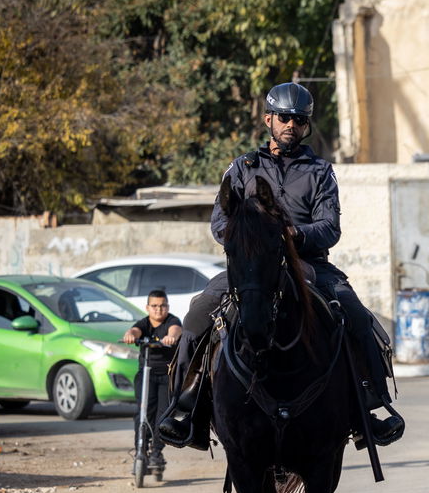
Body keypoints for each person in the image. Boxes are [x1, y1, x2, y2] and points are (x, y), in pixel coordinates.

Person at [158, 82, 405, 450]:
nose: (292, 125)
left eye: (299, 120)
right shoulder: (242, 168)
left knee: (356, 315)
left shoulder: (320, 171)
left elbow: (330, 227)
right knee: (197, 313)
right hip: (253, 267)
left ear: (306, 126)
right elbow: (220, 222)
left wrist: (294, 235)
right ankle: (185, 406)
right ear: (268, 120)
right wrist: (254, 237)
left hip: (309, 265)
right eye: (285, 118)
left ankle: (369, 406)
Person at [122, 290, 182, 478]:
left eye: (162, 305)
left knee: (163, 416)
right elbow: (135, 331)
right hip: (146, 375)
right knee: (143, 414)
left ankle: (156, 452)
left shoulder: (172, 321)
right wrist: (130, 335)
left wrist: (171, 338)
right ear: (148, 307)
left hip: (166, 376)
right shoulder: (144, 323)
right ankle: (141, 448)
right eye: (154, 306)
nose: (158, 309)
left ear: (167, 307)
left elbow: (176, 330)